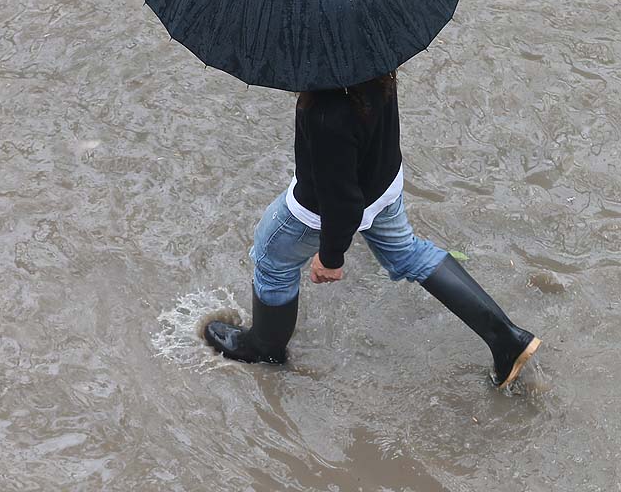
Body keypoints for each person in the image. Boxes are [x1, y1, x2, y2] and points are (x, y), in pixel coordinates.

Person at [204, 71, 541, 388]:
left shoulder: (324, 112)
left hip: (318, 211)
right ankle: (507, 338)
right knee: (408, 253)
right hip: (382, 186)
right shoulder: (376, 66)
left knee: (272, 257)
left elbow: (341, 201)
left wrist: (330, 256)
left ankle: (264, 347)